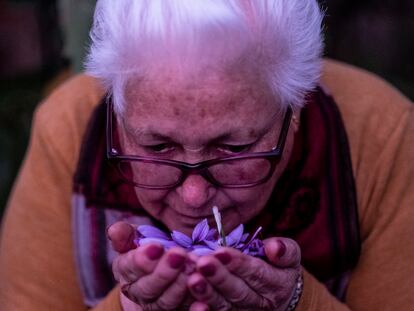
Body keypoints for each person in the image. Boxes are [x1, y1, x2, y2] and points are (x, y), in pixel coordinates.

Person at [1, 1, 413, 310]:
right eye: (157, 146)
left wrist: (294, 302)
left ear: (297, 108)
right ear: (114, 102)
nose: (195, 196)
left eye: (234, 147)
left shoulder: (383, 134)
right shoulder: (70, 128)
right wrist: (129, 306)